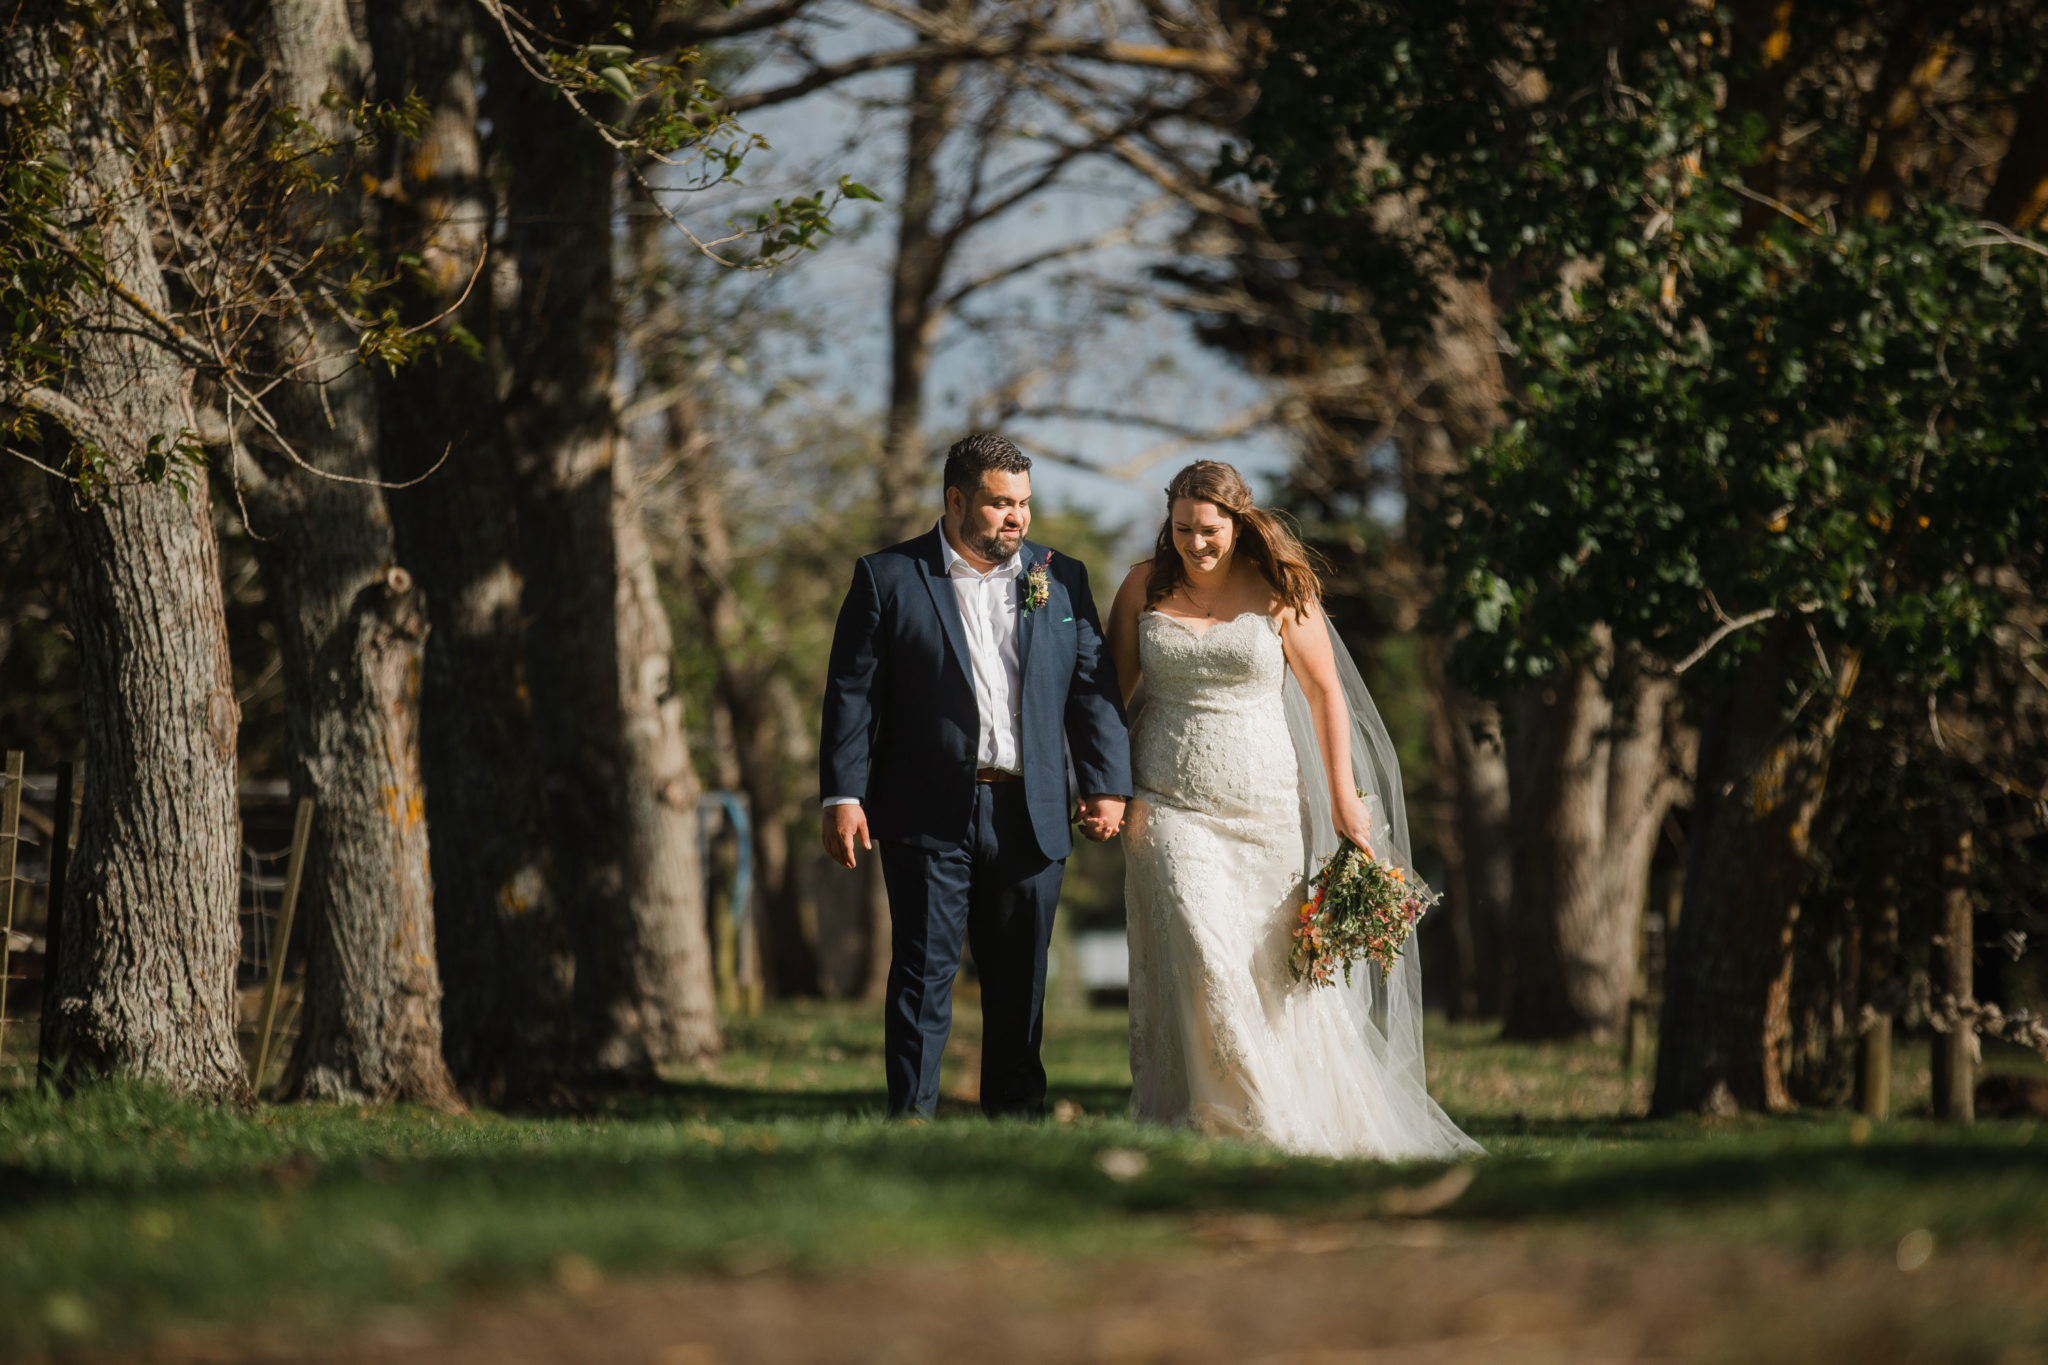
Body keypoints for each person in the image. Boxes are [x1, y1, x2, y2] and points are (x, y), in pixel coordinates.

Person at [1107, 460, 1479, 1159]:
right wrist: (1105, 787)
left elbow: (1325, 693)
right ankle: (1229, 1113)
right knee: (1197, 942)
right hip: (1167, 804)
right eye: (1182, 528)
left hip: (1265, 807)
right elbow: (1109, 694)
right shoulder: (1142, 587)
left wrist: (1342, 797)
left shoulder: (1282, 589)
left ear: (1238, 521)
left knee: (1268, 972)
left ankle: (1281, 1110)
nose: (1195, 543)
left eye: (1209, 529)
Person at [820, 433, 1132, 1120]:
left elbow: (1091, 684)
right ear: (956, 499)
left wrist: (1106, 781)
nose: (1015, 517)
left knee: (1020, 979)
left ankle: (1016, 1120)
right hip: (927, 807)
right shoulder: (889, 577)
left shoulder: (1061, 577)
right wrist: (844, 793)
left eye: (1022, 502)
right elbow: (852, 693)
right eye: (998, 503)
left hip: (1032, 807)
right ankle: (911, 1119)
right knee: (924, 972)